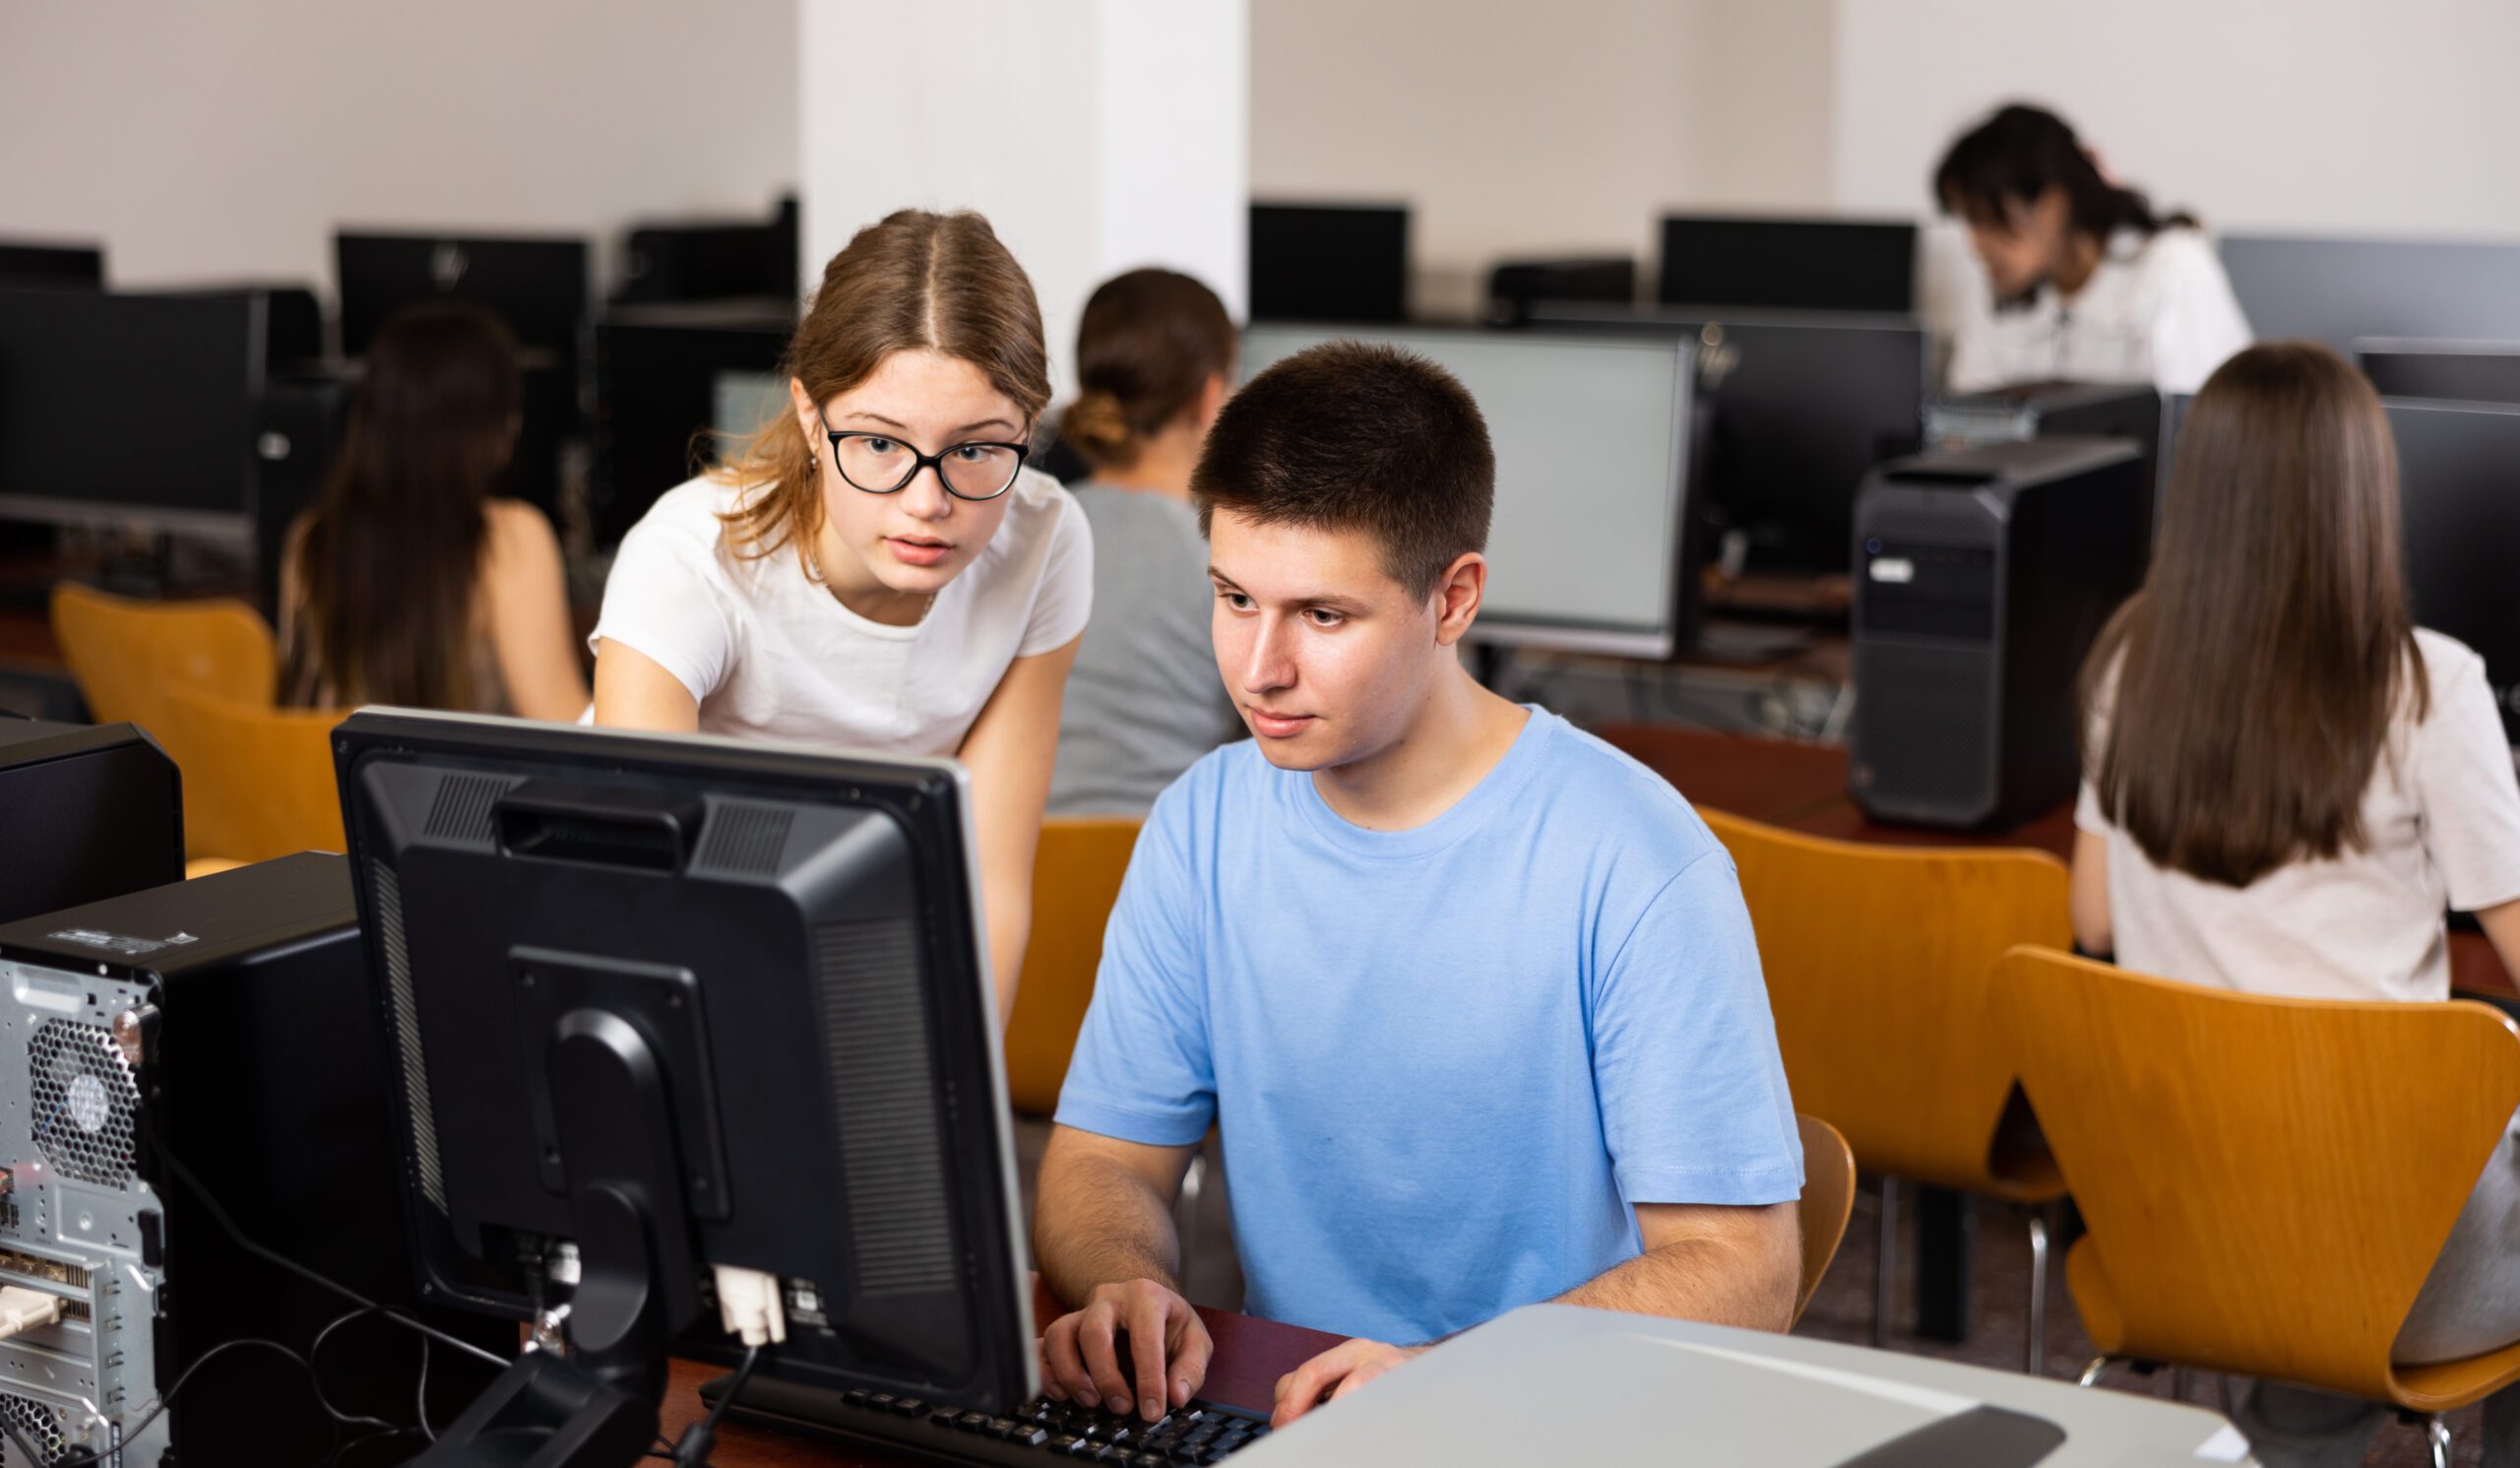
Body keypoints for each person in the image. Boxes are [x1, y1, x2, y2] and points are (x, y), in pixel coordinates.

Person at [1030, 341, 1803, 1430]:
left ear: (1454, 600)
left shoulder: (1633, 860)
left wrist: (1456, 1376)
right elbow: (1104, 1157)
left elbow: (1744, 1267)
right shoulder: (1203, 823)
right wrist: (1125, 1283)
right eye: (1235, 598)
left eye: (1323, 616)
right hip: (1297, 1421)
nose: (1258, 667)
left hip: (1562, 1428)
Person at [2071, 342, 2520, 1468]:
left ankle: (2287, 1431)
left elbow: (2089, 923)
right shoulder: (2428, 687)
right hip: (2386, 1257)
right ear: (2364, 496)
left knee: (2322, 1195)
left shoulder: (2129, 669)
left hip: (2180, 1230)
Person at [589, 209, 1090, 1025]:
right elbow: (643, 893)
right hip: (668, 931)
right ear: (812, 420)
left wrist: (962, 1122)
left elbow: (991, 884)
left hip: (860, 923)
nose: (929, 504)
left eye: (976, 449)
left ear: (1028, 430)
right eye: (882, 445)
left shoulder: (1046, 538)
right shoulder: (688, 559)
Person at [282, 302, 587, 721]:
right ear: (488, 425)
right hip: (459, 787)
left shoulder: (311, 538)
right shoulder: (510, 537)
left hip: (323, 784)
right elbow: (565, 725)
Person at [1046, 268, 1244, 817]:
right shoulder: (1225, 556)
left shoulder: (1028, 530)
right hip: (1163, 870)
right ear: (1211, 397)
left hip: (1023, 872)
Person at [1936, 102, 2251, 396]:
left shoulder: (2172, 269)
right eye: (1968, 222)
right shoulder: (1995, 296)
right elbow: (1963, 425)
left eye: (1987, 220)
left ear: (2053, 206)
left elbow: (2196, 431)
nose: (1975, 244)